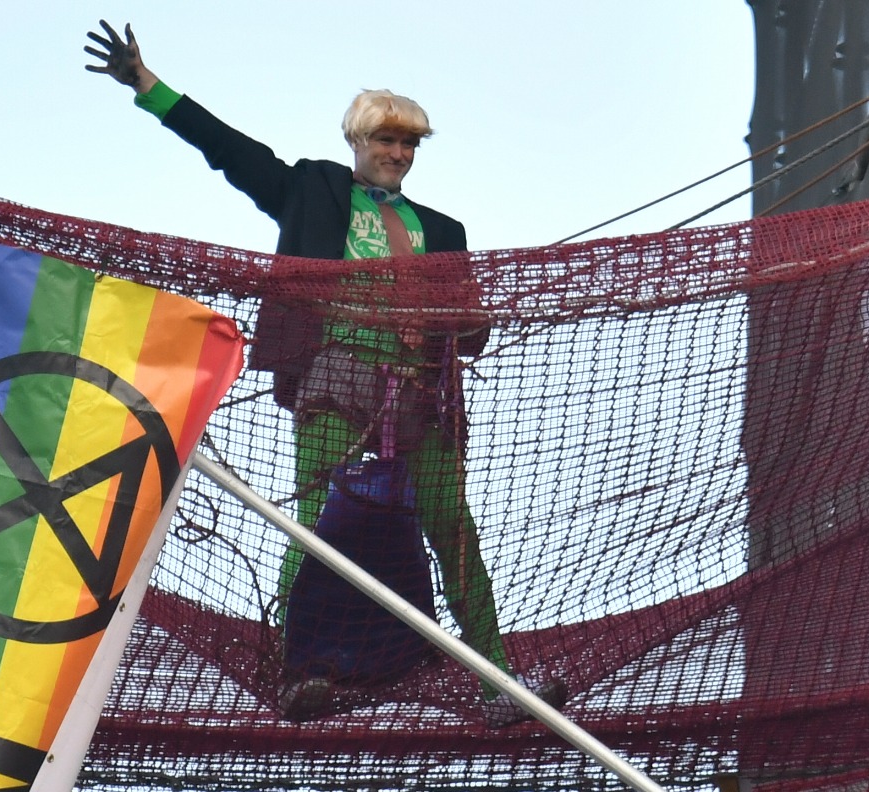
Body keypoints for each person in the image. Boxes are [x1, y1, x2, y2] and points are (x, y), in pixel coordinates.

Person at [84, 20, 563, 727]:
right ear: (357, 142)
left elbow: (469, 337)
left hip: (421, 393)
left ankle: (499, 689)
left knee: (453, 530)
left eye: (409, 144)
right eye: (386, 140)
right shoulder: (313, 190)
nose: (398, 154)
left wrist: (468, 315)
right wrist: (148, 86)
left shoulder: (444, 231)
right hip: (338, 375)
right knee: (313, 524)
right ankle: (295, 673)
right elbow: (230, 151)